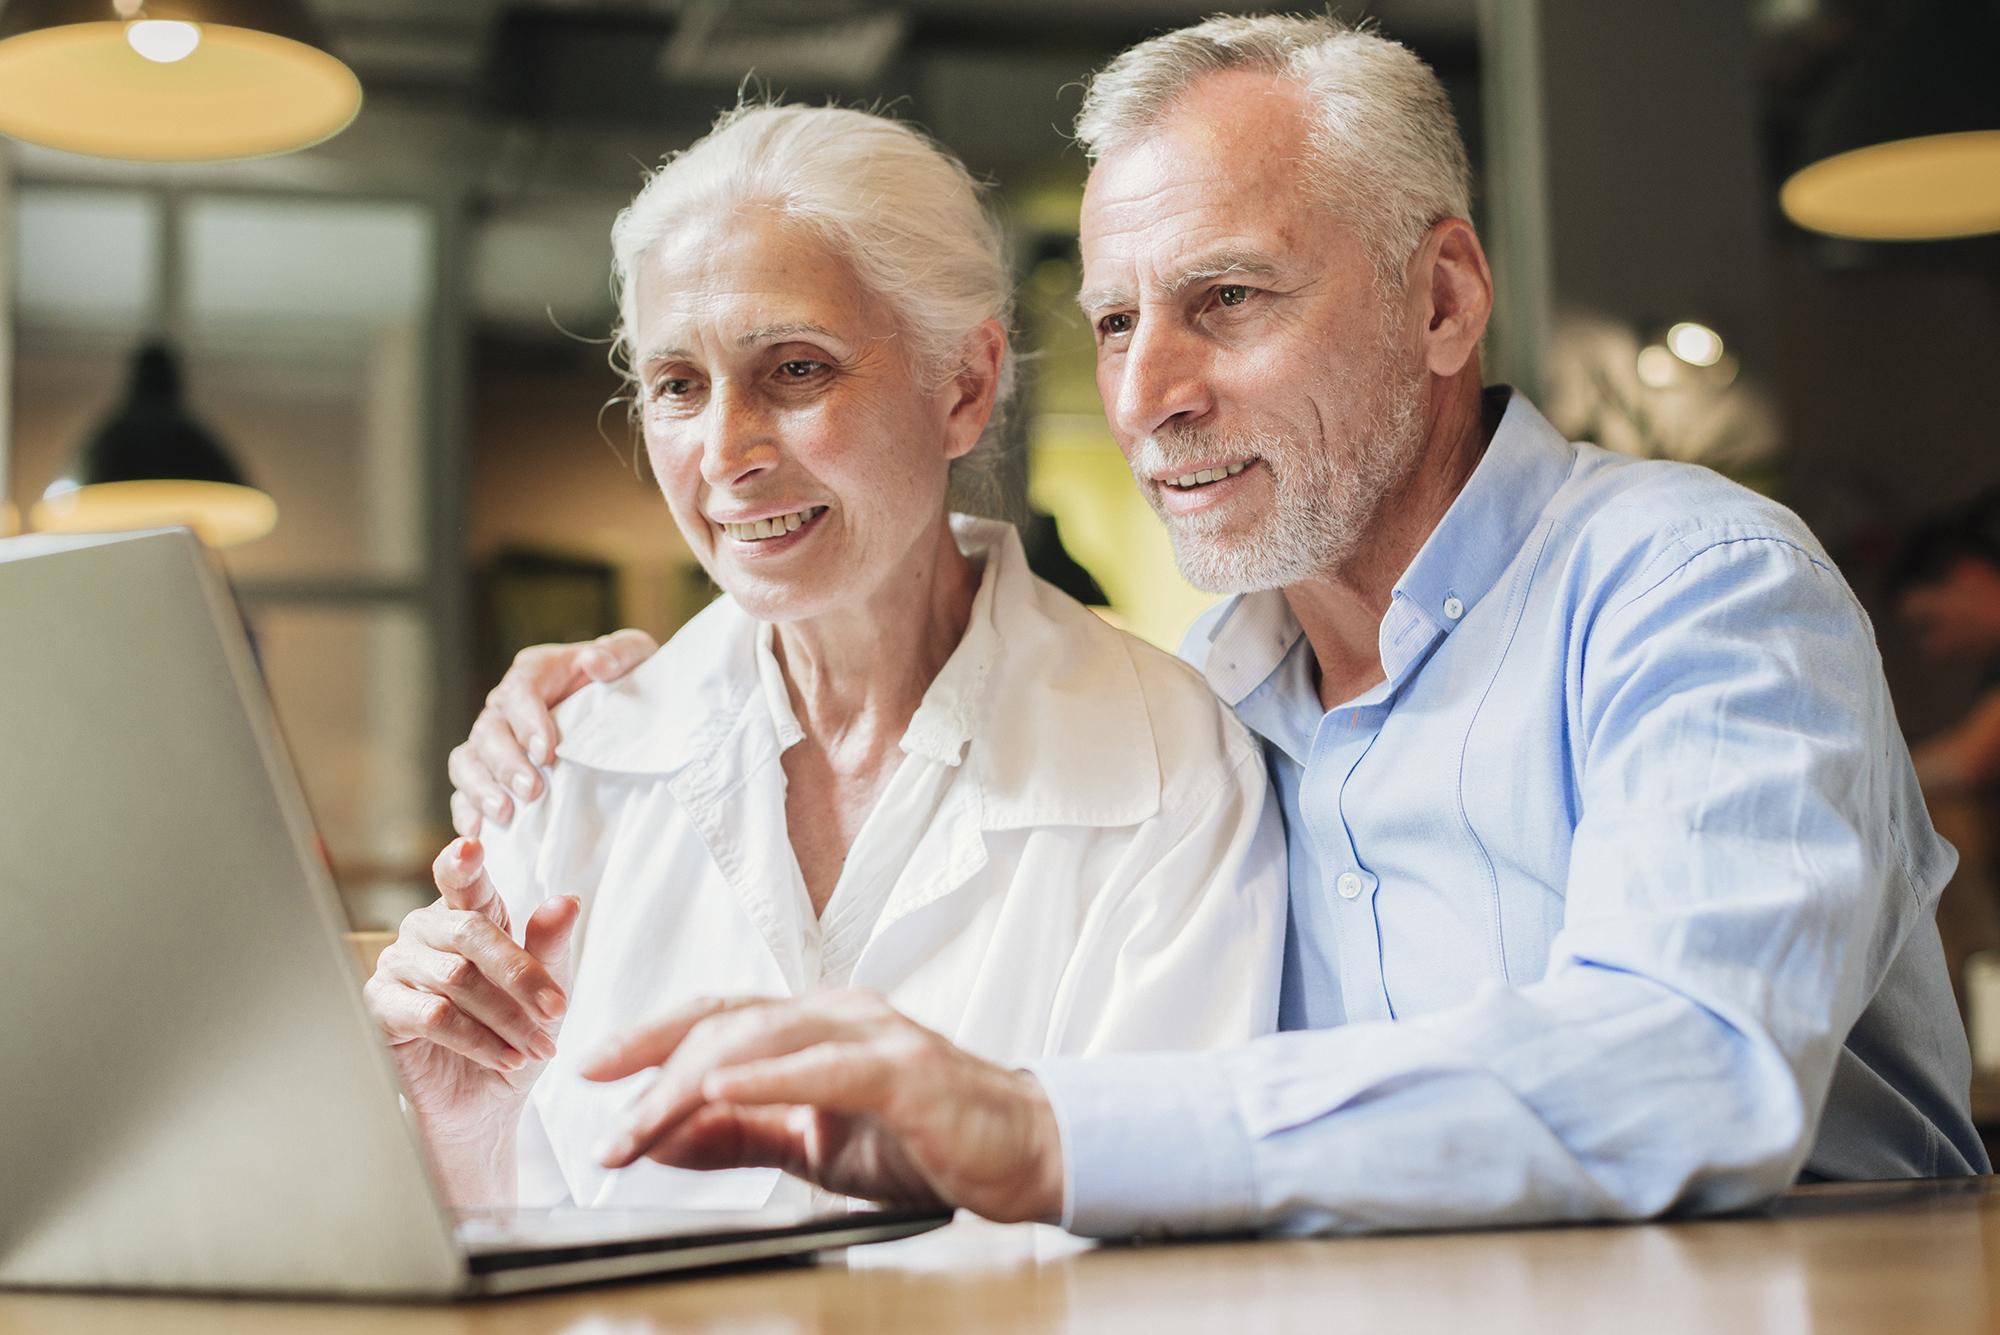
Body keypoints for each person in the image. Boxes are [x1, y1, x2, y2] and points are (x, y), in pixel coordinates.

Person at [452, 16, 1988, 1234]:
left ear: (1444, 300)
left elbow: (1694, 1060)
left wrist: (1036, 1128)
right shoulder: (1213, 704)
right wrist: (628, 690)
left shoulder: (1696, 585)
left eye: (1230, 298)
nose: (1146, 395)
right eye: (1118, 321)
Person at [368, 102, 1285, 1210]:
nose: (723, 455)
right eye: (676, 385)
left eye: (794, 370)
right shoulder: (564, 768)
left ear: (963, 386)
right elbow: (502, 1241)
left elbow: (1163, 1238)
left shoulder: (1169, 765)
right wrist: (454, 1139)